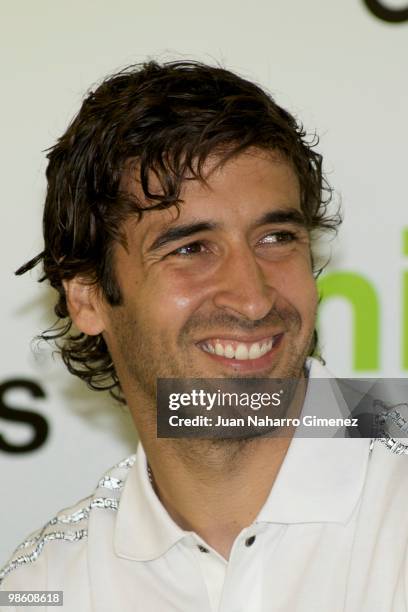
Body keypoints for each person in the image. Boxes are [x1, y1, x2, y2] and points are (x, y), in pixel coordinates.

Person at [1, 60, 407, 612]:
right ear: (88, 296)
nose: (253, 297)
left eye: (276, 237)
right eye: (190, 249)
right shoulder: (43, 589)